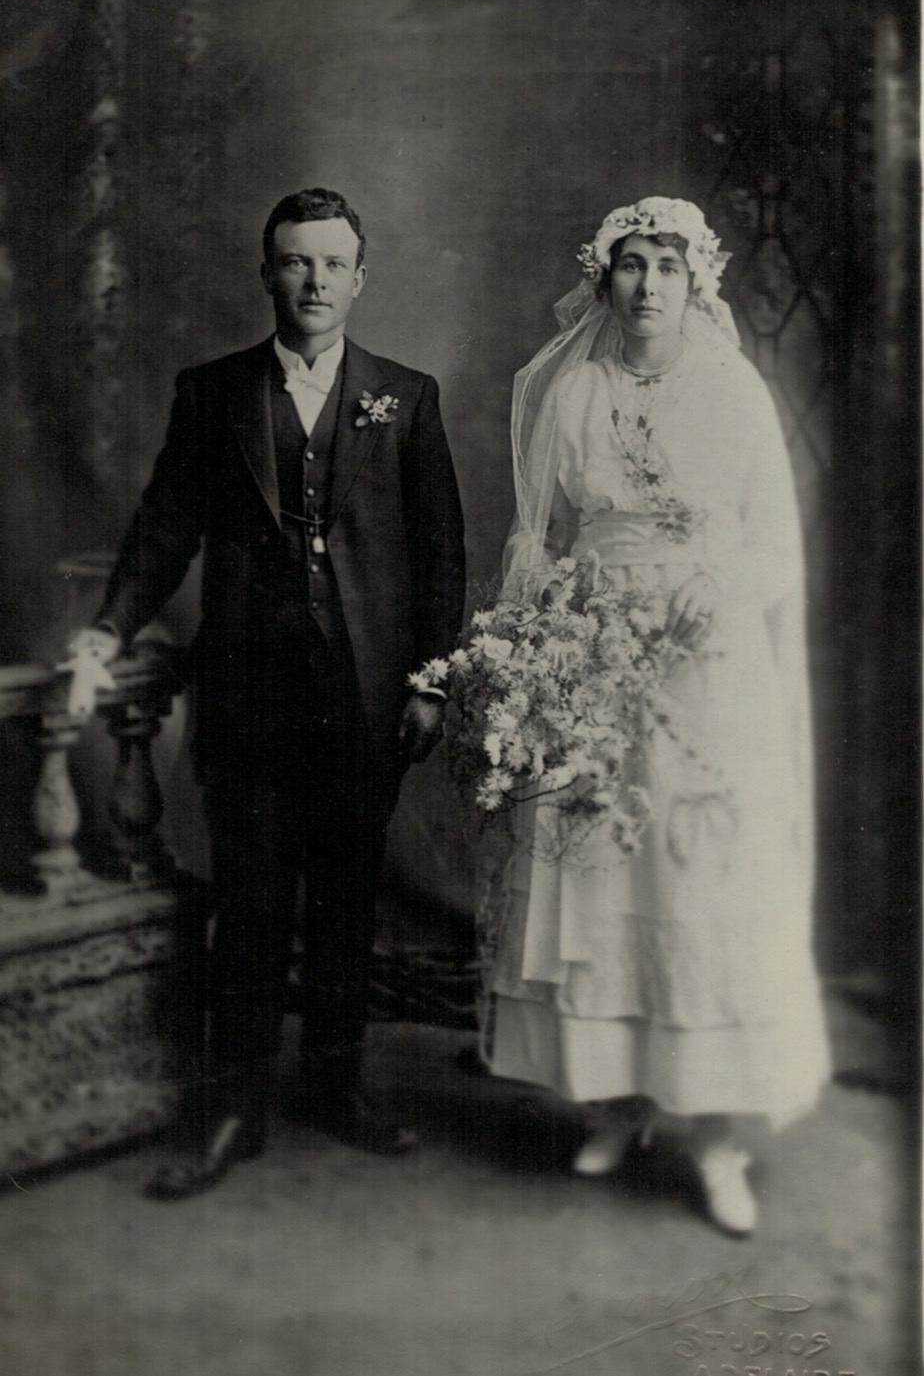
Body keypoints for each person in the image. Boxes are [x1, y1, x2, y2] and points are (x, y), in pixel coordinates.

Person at [68, 187, 466, 1198]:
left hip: (365, 699)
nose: (314, 281)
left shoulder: (406, 396)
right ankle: (234, 1110)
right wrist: (110, 626)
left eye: (332, 264)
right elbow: (165, 527)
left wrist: (430, 683)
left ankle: (337, 1087)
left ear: (361, 279)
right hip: (249, 698)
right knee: (247, 909)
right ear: (267, 274)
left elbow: (439, 554)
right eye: (295, 261)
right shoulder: (213, 393)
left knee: (344, 906)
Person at [485, 196, 829, 1236]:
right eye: (631, 265)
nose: (647, 285)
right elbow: (540, 537)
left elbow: (774, 543)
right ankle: (621, 1101)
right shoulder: (576, 390)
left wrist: (714, 590)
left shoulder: (732, 390)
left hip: (705, 668)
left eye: (666, 268)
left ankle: (717, 1137)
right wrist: (538, 648)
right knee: (603, 872)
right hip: (597, 659)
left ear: (695, 283)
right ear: (606, 280)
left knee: (699, 877)